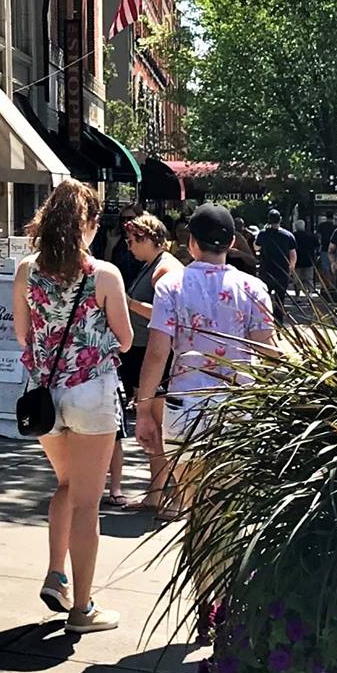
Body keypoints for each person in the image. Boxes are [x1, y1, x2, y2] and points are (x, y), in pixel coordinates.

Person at [12, 178, 133, 632]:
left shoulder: (26, 270)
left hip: (44, 394)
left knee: (64, 484)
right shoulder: (103, 274)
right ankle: (82, 609)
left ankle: (55, 574)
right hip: (91, 393)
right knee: (87, 502)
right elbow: (125, 338)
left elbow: (22, 335)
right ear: (90, 225)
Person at [136, 204, 277, 518]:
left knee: (195, 507)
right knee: (228, 511)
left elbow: (158, 352)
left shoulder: (171, 286)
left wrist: (144, 408)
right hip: (239, 405)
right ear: (230, 244)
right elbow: (268, 349)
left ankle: (202, 566)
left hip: (187, 405)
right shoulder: (253, 288)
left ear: (191, 242)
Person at [114, 212, 182, 514]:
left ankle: (172, 495)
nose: (129, 247)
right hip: (144, 350)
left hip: (155, 353)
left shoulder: (164, 268)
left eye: (132, 241)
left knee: (158, 428)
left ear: (147, 239)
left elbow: (165, 312)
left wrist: (125, 303)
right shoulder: (155, 266)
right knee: (155, 429)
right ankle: (157, 493)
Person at [256, 209, 298, 302]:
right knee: (280, 297)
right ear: (280, 219)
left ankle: (266, 315)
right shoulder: (288, 235)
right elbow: (293, 254)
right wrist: (291, 267)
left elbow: (256, 247)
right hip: (282, 271)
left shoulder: (263, 234)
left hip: (266, 270)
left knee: (264, 296)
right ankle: (279, 315)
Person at [293, 215, 323, 294]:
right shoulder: (310, 236)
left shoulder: (293, 236)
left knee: (297, 280)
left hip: (297, 261)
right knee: (309, 279)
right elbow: (317, 246)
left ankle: (298, 296)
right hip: (309, 260)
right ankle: (310, 294)